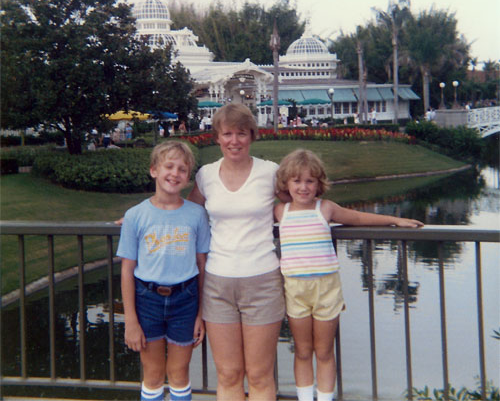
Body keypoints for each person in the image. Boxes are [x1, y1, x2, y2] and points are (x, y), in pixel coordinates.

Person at [274, 149, 423, 401]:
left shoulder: (326, 209)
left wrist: (394, 220)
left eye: (310, 181)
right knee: (302, 350)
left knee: (323, 351)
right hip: (295, 290)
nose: (303, 187)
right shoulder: (280, 211)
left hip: (326, 289)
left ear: (319, 184)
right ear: (286, 184)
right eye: (297, 181)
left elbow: (357, 217)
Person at [188, 103, 289, 401]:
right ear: (217, 137)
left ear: (252, 136)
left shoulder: (270, 172)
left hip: (262, 282)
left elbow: (298, 204)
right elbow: (187, 214)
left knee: (259, 375)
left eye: (241, 133)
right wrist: (140, 219)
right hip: (218, 284)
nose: (234, 140)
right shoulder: (205, 176)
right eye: (227, 133)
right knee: (229, 374)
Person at [117, 141, 211, 401]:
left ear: (188, 177)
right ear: (154, 171)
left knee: (179, 373)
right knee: (153, 372)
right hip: (147, 299)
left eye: (182, 169)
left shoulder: (196, 215)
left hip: (186, 299)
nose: (175, 173)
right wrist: (131, 321)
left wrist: (200, 314)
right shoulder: (136, 216)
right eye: (169, 166)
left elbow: (202, 265)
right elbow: (127, 270)